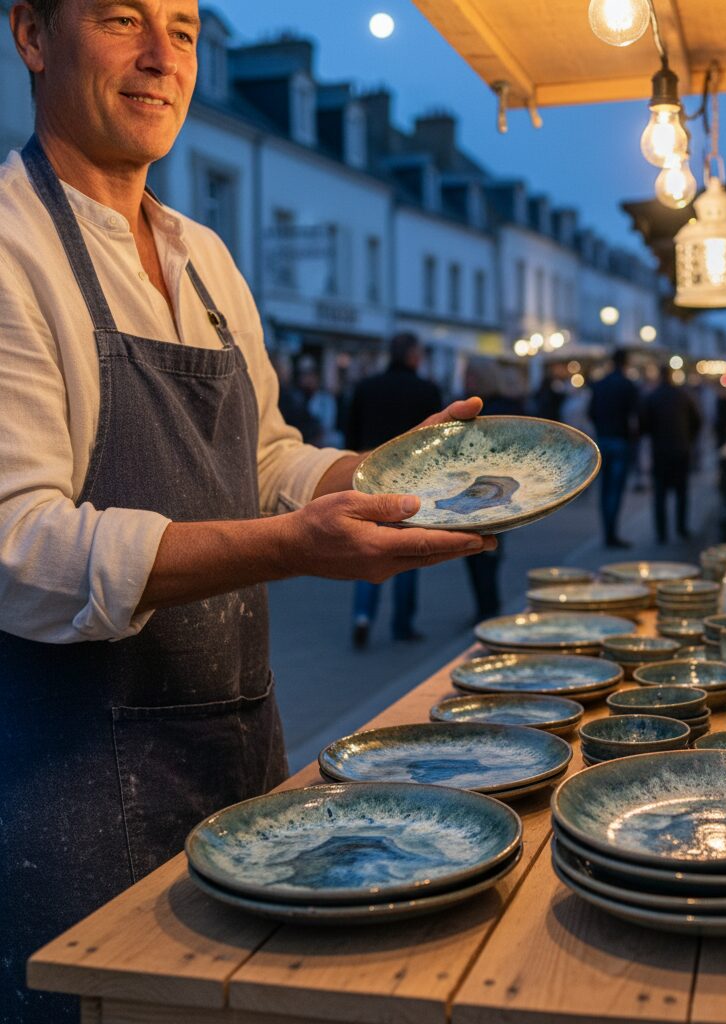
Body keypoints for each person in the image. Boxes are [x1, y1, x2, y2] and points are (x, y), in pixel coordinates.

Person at [0, 5, 494, 1021]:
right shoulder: (10, 250)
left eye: (182, 31)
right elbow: (19, 548)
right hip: (70, 793)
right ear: (33, 36)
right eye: (122, 20)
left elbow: (263, 453)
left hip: (243, 768)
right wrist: (289, 548)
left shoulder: (205, 258)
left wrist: (393, 473)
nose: (161, 59)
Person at [345, 332, 443, 646]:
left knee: (368, 547)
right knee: (406, 552)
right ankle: (402, 624)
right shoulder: (427, 391)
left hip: (370, 476)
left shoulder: (366, 388)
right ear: (413, 356)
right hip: (412, 481)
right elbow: (438, 442)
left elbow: (350, 434)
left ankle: (362, 615)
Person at [460, 359, 524, 620]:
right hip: (495, 492)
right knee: (485, 552)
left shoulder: (487, 413)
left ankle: (488, 609)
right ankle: (487, 606)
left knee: (480, 554)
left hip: (484, 492)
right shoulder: (508, 408)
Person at [641, 365, 704, 543]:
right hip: (680, 450)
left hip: (660, 451)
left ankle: (661, 534)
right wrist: (688, 439)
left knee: (660, 494)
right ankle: (681, 528)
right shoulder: (684, 396)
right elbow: (698, 421)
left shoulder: (652, 397)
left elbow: (644, 426)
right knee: (681, 492)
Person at [587, 348, 639, 547]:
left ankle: (606, 532)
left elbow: (591, 412)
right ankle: (611, 534)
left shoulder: (599, 384)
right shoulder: (628, 385)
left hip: (602, 439)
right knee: (615, 490)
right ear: (626, 362)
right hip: (620, 440)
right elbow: (635, 416)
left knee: (604, 489)